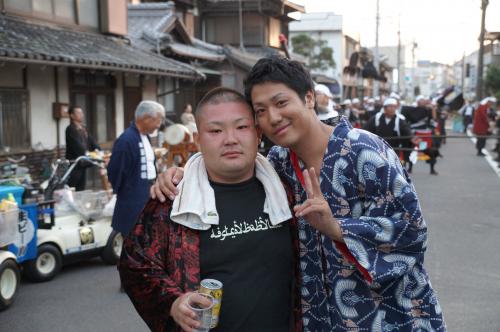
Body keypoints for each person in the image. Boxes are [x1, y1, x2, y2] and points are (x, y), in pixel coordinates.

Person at [155, 56, 446, 331]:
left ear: (309, 98)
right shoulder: (279, 163)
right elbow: (229, 162)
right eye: (260, 111)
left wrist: (337, 228)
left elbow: (411, 232)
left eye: (281, 102)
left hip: (391, 315)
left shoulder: (365, 152)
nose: (273, 117)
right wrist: (182, 173)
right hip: (320, 317)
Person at [119, 88, 301, 332]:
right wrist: (172, 302)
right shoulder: (173, 201)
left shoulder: (287, 193)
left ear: (258, 133)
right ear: (198, 139)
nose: (230, 139)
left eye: (242, 127)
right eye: (215, 130)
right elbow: (135, 263)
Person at [107, 101, 164, 236]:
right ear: (145, 118)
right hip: (133, 197)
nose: (159, 124)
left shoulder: (146, 137)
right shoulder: (126, 140)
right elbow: (115, 170)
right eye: (158, 119)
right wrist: (125, 191)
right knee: (133, 237)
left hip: (148, 194)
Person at [364, 97, 415, 169]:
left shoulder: (399, 120)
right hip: (378, 149)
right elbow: (366, 129)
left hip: (393, 150)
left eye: (394, 107)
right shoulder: (376, 118)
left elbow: (406, 130)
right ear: (385, 108)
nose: (392, 109)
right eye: (390, 107)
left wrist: (412, 138)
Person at [401, 96, 440, 174]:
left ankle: (432, 169)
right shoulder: (411, 110)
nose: (424, 101)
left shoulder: (428, 109)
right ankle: (409, 168)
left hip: (426, 134)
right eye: (422, 100)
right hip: (416, 134)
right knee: (412, 151)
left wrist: (433, 109)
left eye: (424, 100)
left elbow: (434, 119)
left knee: (432, 151)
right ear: (418, 102)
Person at [65, 106, 100, 191]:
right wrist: (87, 153)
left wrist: (98, 150)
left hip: (83, 163)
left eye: (82, 113)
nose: (82, 115)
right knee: (72, 188)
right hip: (74, 163)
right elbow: (77, 146)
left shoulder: (83, 128)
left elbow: (91, 141)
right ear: (72, 115)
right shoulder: (70, 129)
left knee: (81, 189)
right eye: (79, 113)